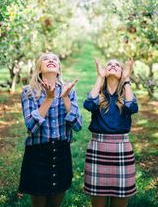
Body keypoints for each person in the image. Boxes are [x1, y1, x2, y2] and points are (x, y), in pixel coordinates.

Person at [18, 52, 82, 207]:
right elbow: (31, 126)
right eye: (46, 59)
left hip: (61, 152)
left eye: (55, 59)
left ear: (59, 69)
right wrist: (49, 98)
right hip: (37, 153)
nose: (51, 60)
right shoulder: (29, 91)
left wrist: (65, 98)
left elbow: (78, 125)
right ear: (39, 68)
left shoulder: (68, 91)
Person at [84, 57, 138, 207]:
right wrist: (100, 78)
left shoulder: (126, 94)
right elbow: (89, 104)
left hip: (122, 148)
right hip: (98, 147)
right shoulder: (99, 94)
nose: (113, 66)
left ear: (122, 72)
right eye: (109, 64)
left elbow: (131, 107)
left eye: (117, 65)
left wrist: (126, 79)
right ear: (104, 70)